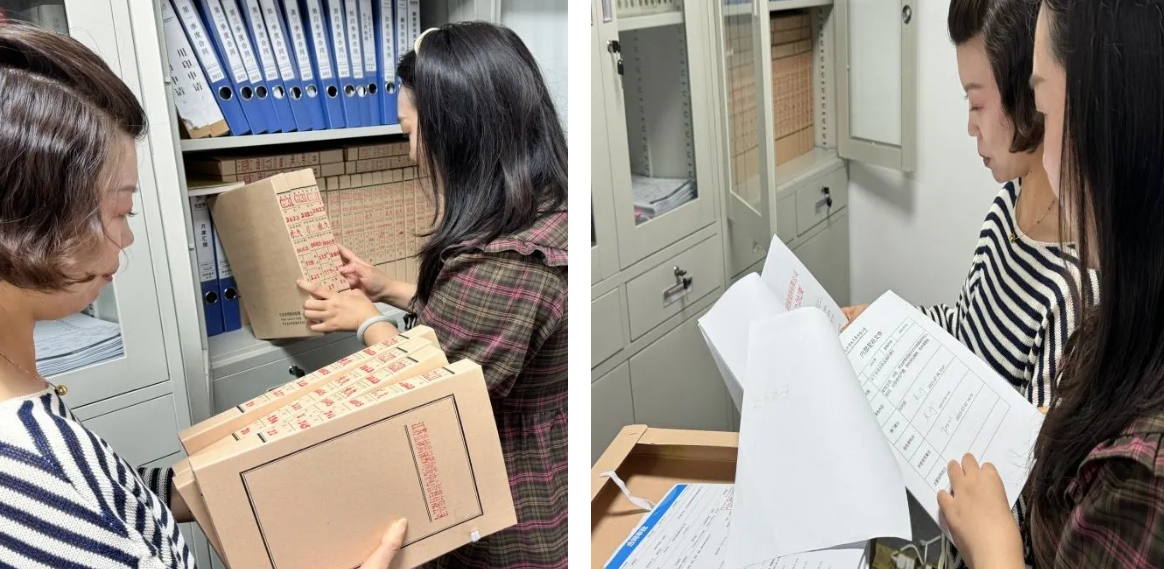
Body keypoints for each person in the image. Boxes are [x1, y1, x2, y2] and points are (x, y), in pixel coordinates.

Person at [0, 22, 404, 569]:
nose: (127, 238)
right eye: (120, 211)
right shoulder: (29, 462)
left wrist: (221, 476)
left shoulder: (24, 395)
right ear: (28, 221)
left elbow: (105, 497)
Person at [297, 21, 568, 569]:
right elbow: (494, 332)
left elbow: (435, 398)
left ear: (456, 133)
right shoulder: (547, 210)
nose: (412, 152)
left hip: (514, 520)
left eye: (409, 132)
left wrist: (366, 320)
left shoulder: (505, 266)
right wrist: (390, 289)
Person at [939, 0, 1164, 567]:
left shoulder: (1079, 294)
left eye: (1043, 102)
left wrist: (993, 547)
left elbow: (1030, 497)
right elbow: (966, 325)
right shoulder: (1006, 209)